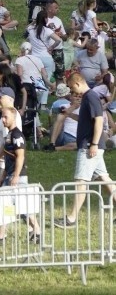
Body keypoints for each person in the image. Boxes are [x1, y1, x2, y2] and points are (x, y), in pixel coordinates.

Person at [55, 73, 116, 228]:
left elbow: (99, 121)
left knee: (80, 181)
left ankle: (72, 218)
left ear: (77, 83)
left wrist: (94, 144)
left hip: (89, 146)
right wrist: (70, 114)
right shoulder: (88, 98)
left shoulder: (91, 97)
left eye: (70, 87)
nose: (71, 91)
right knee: (105, 179)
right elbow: (86, 120)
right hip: (92, 146)